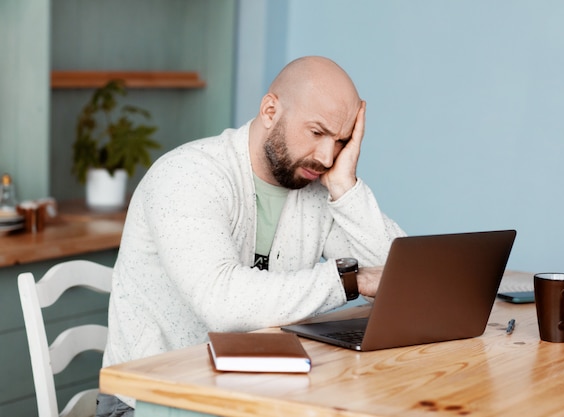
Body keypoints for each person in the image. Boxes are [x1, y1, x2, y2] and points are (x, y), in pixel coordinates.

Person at [96, 56, 406, 416]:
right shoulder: (186, 175)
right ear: (270, 110)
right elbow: (222, 303)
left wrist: (346, 187)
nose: (326, 156)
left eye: (341, 140)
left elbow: (401, 277)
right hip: (152, 401)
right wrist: (350, 281)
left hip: (255, 390)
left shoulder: (317, 186)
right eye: (318, 132)